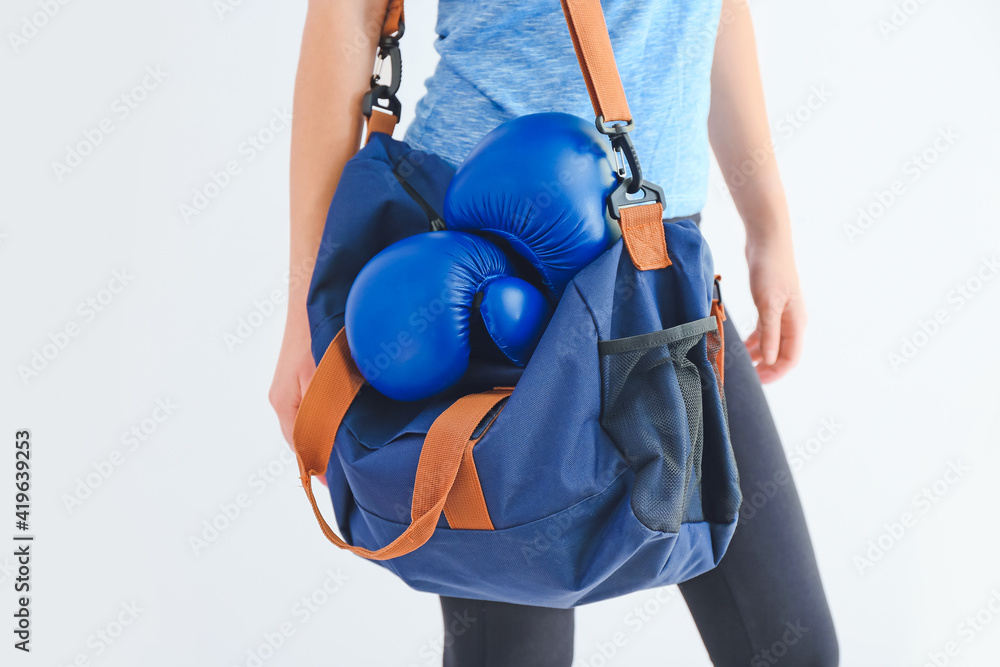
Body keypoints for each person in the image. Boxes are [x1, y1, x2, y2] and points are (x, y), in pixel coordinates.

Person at [270, 0, 839, 664]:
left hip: (658, 260)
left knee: (790, 645)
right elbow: (349, 15)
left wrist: (768, 222)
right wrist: (301, 316)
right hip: (478, 258)